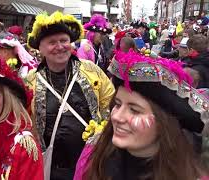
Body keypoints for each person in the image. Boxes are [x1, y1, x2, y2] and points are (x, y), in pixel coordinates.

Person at [74, 50, 209, 180]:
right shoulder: (92, 156)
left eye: (135, 110)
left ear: (164, 123)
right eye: (118, 104)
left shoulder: (191, 174)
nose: (116, 117)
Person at [26, 11, 115, 180]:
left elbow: (110, 104)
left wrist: (102, 135)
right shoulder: (30, 82)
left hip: (91, 163)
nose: (59, 46)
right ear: (41, 48)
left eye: (64, 40)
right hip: (51, 168)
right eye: (52, 42)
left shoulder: (92, 71)